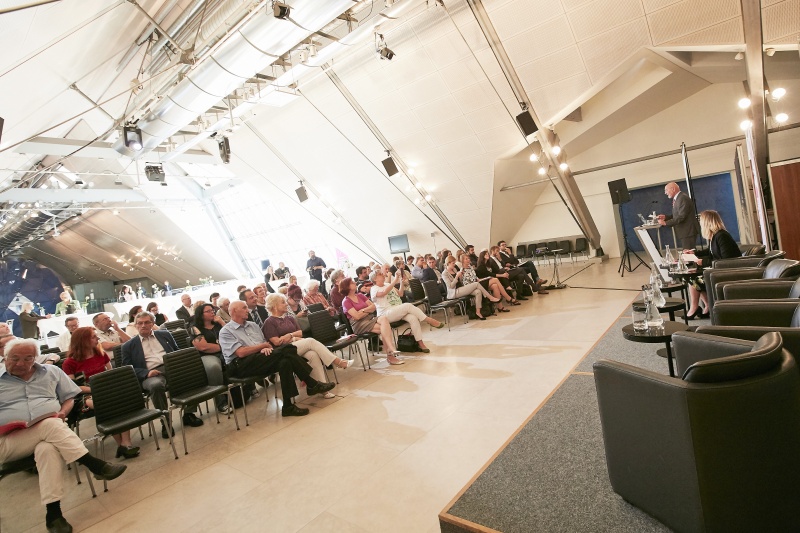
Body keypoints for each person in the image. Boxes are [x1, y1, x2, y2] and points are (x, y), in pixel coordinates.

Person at [0, 339, 127, 533]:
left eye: (27, 359)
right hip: (7, 442)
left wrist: (63, 412)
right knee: (50, 425)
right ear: (5, 357)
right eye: (14, 358)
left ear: (35, 358)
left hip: (45, 435)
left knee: (47, 448)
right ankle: (95, 465)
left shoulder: (51, 372)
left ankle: (54, 515)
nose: (20, 363)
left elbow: (69, 397)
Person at [219, 301, 335, 417]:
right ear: (234, 311)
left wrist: (264, 347)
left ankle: (288, 406)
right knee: (287, 349)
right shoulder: (226, 331)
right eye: (244, 308)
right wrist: (262, 347)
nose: (247, 310)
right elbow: (241, 352)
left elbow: (266, 344)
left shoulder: (252, 325)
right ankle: (311, 384)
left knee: (285, 362)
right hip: (240, 365)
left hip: (259, 359)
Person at [121, 311, 208, 438]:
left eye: (146, 322)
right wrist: (146, 372)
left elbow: (177, 351)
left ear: (153, 323)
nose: (143, 325)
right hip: (150, 374)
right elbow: (127, 369)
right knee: (156, 386)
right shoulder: (128, 346)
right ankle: (165, 422)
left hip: (171, 367)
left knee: (191, 372)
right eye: (140, 323)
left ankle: (189, 414)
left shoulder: (164, 334)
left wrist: (178, 363)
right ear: (136, 325)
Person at [62, 327, 139, 459]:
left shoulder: (100, 354)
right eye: (94, 337)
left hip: (106, 389)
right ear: (83, 340)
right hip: (84, 395)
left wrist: (106, 387)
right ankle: (123, 444)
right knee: (107, 404)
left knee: (121, 399)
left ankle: (125, 443)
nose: (98, 339)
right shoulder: (69, 362)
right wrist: (97, 388)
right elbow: (73, 387)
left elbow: (111, 373)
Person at [263, 294, 353, 398]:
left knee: (313, 354)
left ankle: (323, 389)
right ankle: (339, 362)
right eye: (283, 302)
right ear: (274, 306)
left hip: (296, 345)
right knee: (310, 341)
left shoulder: (289, 318)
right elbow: (277, 342)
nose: (286, 304)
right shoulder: (269, 322)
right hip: (284, 351)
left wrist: (290, 336)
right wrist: (294, 338)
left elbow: (300, 333)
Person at [685, 210, 742, 319]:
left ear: (707, 222)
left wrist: (703, 262)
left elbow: (726, 261)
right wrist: (694, 253)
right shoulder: (715, 236)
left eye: (701, 222)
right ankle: (707, 305)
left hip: (728, 273)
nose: (700, 224)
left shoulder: (722, 236)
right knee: (691, 277)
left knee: (693, 279)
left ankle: (696, 308)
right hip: (718, 271)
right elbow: (710, 251)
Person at [370, 270, 443, 353]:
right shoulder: (374, 289)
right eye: (380, 274)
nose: (383, 275)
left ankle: (421, 343)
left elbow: (400, 294)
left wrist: (401, 282)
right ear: (375, 279)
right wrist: (395, 279)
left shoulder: (387, 285)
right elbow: (384, 292)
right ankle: (429, 320)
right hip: (385, 314)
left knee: (413, 318)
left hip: (396, 310)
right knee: (407, 305)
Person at [340, 278, 402, 365]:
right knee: (384, 329)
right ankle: (390, 354)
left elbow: (373, 307)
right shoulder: (346, 302)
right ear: (347, 287)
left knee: (384, 319)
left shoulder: (360, 296)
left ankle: (390, 350)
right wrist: (366, 310)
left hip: (369, 318)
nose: (354, 283)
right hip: (359, 324)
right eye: (351, 283)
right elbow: (357, 317)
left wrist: (362, 311)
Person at [191, 304, 232, 413]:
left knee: (238, 357)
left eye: (212, 310)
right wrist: (224, 346)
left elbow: (233, 335)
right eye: (208, 311)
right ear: (201, 314)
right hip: (207, 356)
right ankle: (221, 402)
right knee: (214, 367)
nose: (212, 312)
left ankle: (247, 389)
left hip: (224, 351)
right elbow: (203, 347)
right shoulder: (195, 328)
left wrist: (222, 323)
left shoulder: (218, 324)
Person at [657, 181, 701, 250]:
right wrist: (666, 217)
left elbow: (681, 217)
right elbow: (678, 215)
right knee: (688, 253)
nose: (665, 193)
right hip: (686, 231)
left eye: (666, 190)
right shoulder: (679, 198)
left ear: (673, 189)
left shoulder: (682, 198)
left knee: (689, 254)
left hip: (688, 231)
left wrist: (666, 223)